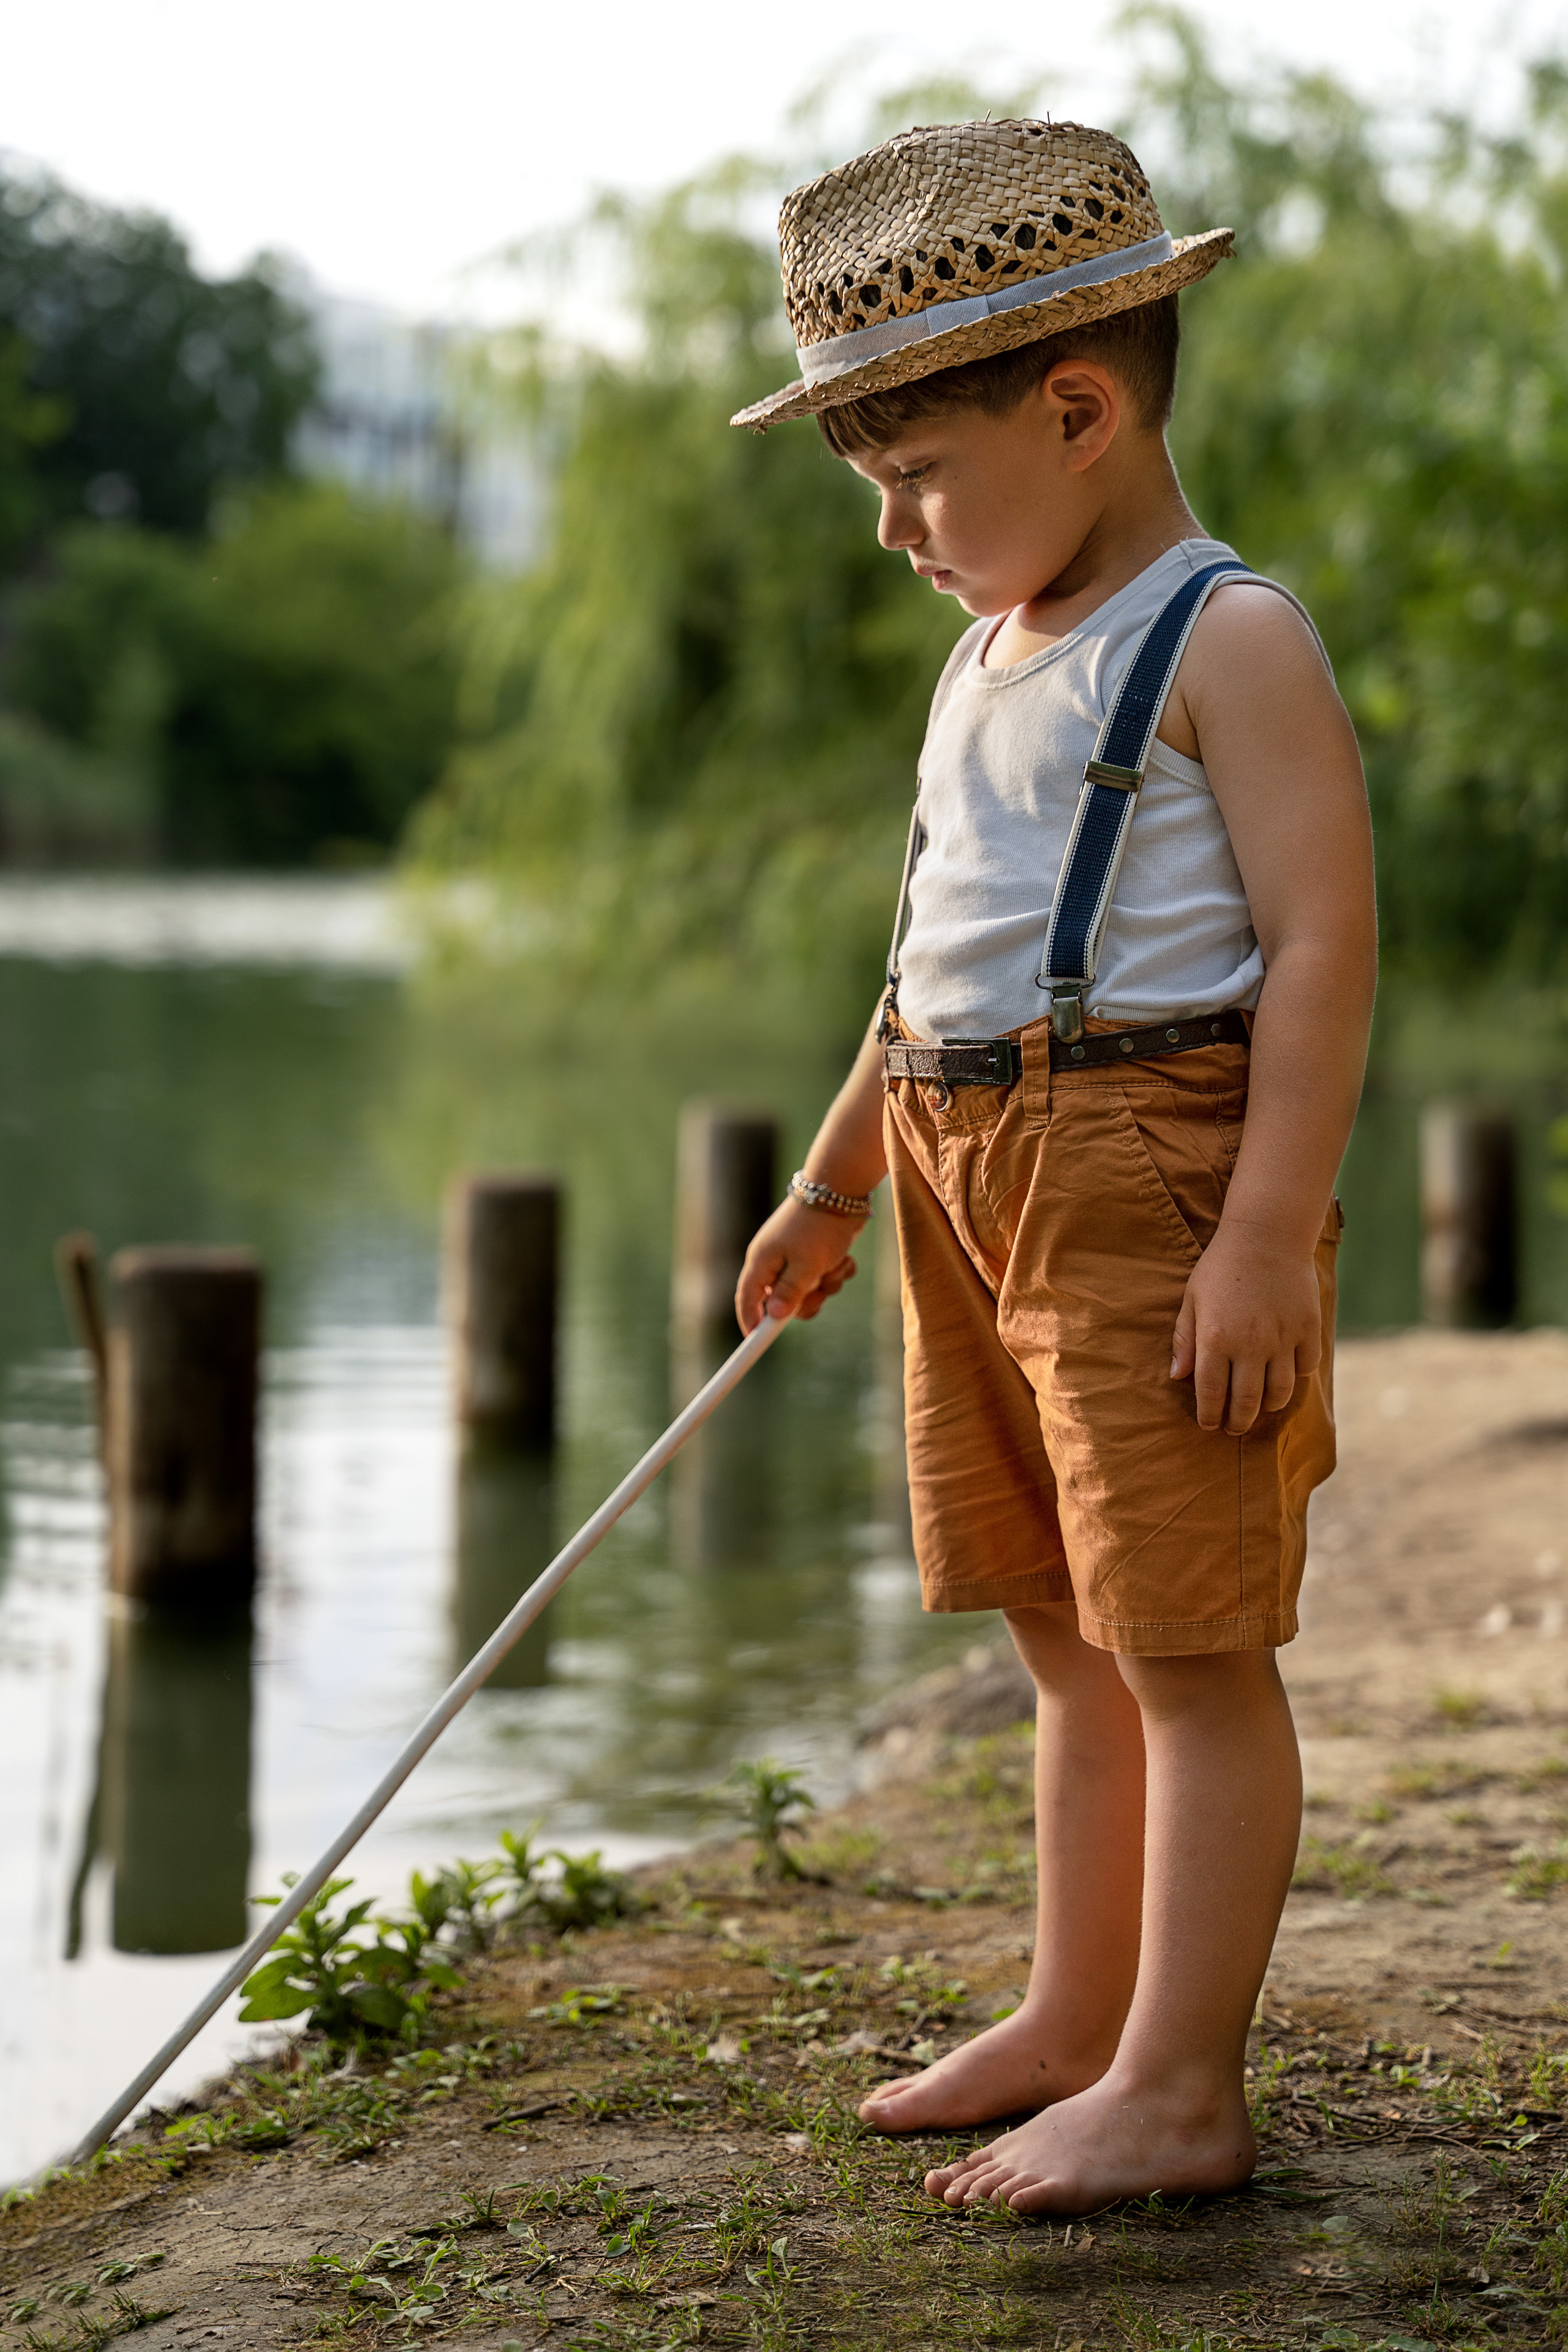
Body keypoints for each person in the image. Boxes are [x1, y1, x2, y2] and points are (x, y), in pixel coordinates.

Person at [731, 119, 1376, 2217]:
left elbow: (1324, 948)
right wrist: (836, 1182)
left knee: (1185, 1641)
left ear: (1079, 409)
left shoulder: (1224, 637)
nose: (899, 531)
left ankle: (1184, 2082)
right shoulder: (984, 653)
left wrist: (1267, 1230)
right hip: (953, 1155)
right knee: (1058, 1627)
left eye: (918, 479)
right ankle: (1079, 2014)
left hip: (1143, 1164)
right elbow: (923, 958)